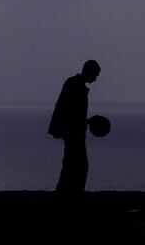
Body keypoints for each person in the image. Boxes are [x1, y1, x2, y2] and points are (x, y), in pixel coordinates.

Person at [48, 59, 100, 194]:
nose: (95, 79)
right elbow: (71, 114)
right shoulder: (75, 86)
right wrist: (85, 122)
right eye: (95, 75)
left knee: (72, 165)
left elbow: (71, 114)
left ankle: (67, 193)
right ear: (89, 72)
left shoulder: (73, 84)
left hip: (72, 132)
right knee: (77, 166)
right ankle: (70, 194)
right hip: (72, 133)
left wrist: (85, 122)